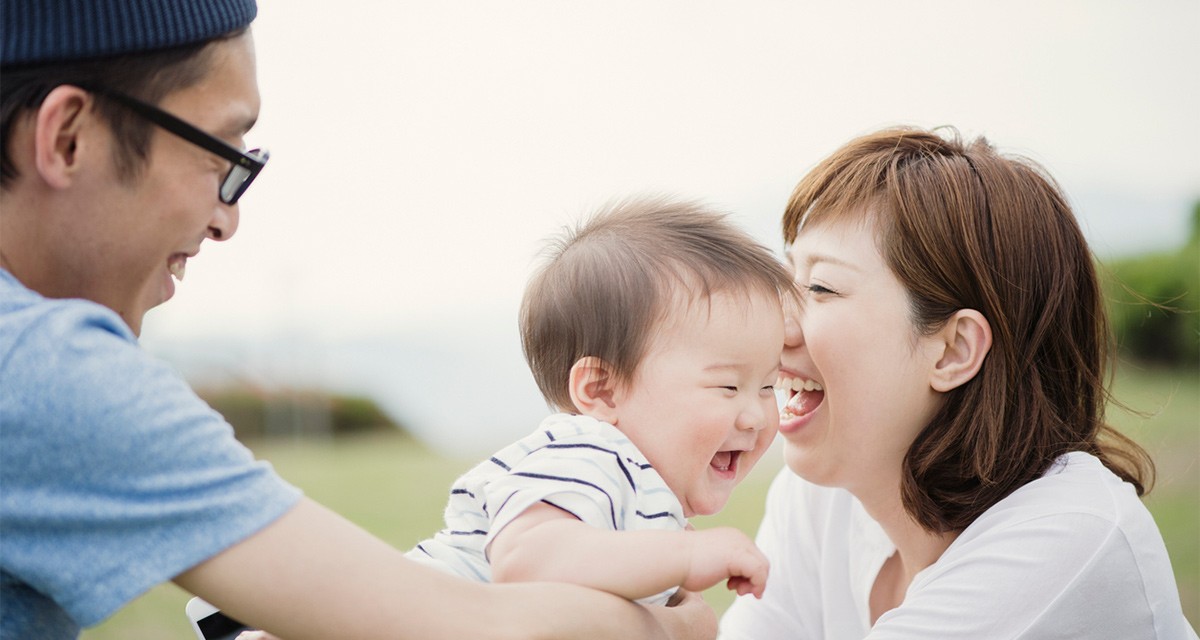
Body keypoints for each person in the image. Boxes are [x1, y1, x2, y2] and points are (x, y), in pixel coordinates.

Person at [0, 2, 715, 639]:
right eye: (220, 155)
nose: (227, 218)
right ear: (69, 137)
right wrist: (670, 629)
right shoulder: (41, 368)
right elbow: (463, 627)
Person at [718, 126, 1198, 639]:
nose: (778, 326)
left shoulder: (1068, 538)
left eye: (821, 286)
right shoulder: (820, 501)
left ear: (953, 350)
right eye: (789, 279)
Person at [408, 198, 794, 605]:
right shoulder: (590, 452)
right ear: (601, 391)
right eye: (728, 387)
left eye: (768, 387)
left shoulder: (636, 491)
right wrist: (685, 556)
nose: (755, 416)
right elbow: (523, 559)